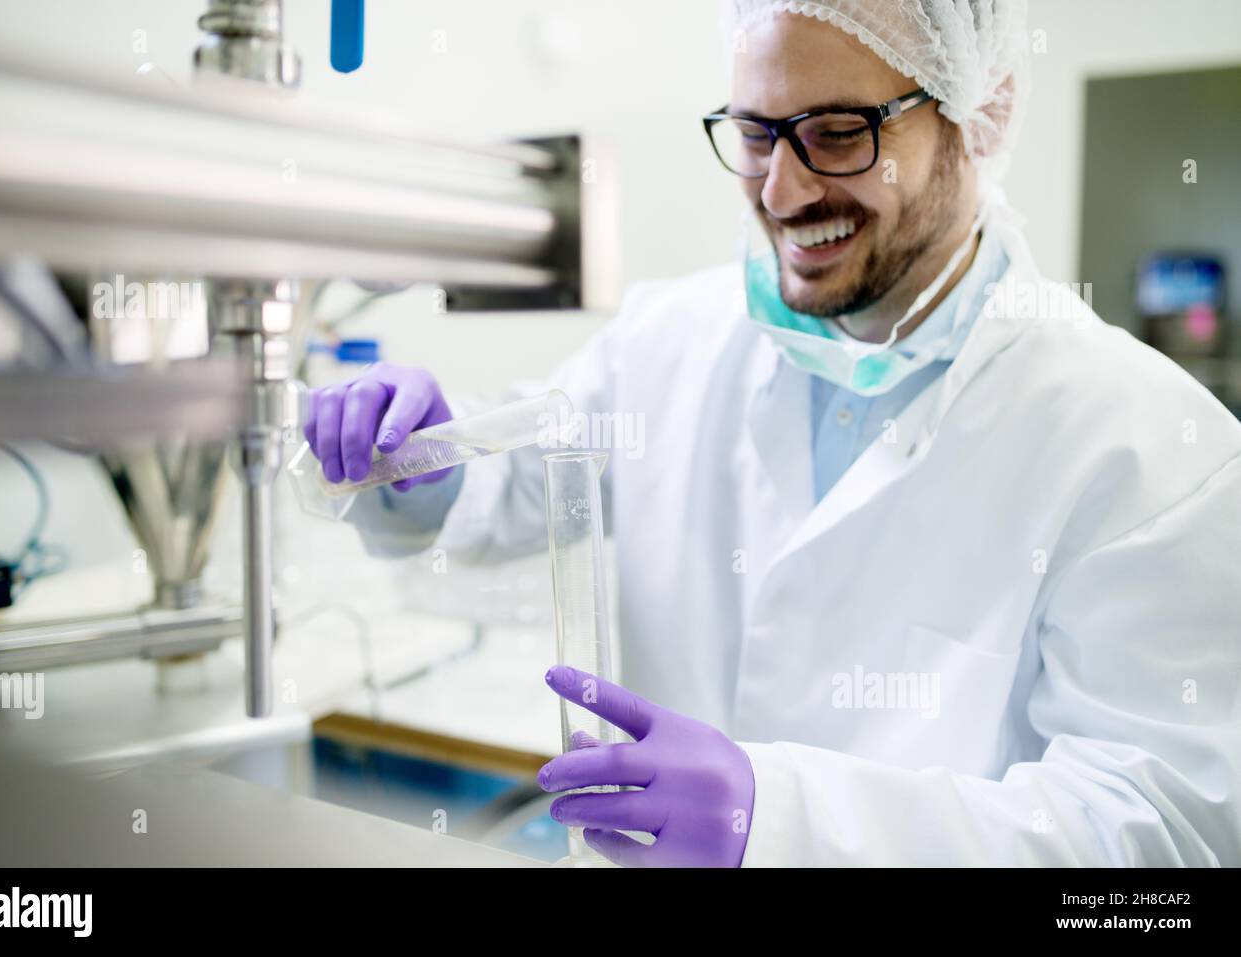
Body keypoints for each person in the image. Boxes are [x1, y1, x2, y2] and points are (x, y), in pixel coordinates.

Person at [304, 0, 1241, 866]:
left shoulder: (1150, 444)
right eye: (755, 134)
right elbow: (520, 488)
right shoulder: (667, 342)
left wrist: (789, 820)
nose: (784, 192)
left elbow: (1155, 848)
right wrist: (425, 461)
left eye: (838, 133)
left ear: (977, 113)